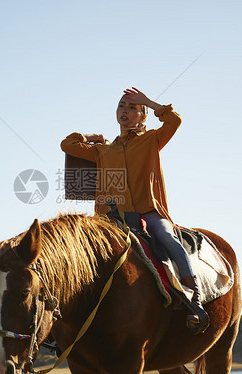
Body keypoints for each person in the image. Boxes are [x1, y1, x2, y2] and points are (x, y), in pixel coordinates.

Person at [60, 87, 209, 333]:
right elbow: (67, 144)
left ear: (143, 116)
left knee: (165, 237)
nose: (125, 111)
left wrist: (148, 102)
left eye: (132, 108)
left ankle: (194, 298)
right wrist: (92, 137)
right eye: (121, 106)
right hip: (111, 218)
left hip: (149, 212)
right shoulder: (103, 150)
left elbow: (175, 120)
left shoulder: (152, 139)